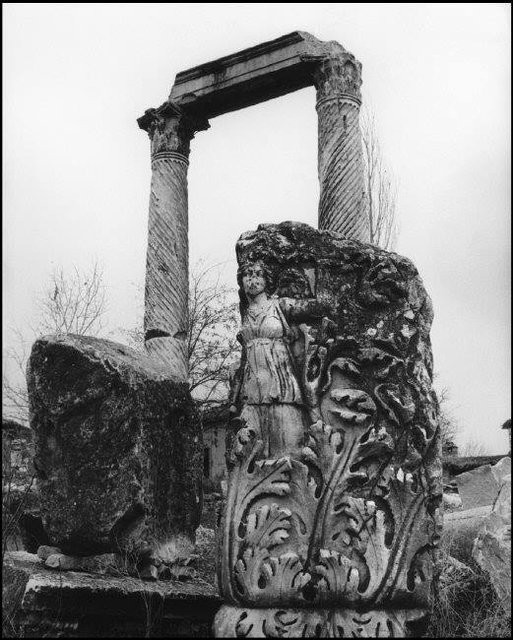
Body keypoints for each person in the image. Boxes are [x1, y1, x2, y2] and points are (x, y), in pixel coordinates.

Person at [229, 260, 332, 458]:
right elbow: (243, 359)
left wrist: (324, 274)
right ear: (241, 281)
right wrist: (233, 398)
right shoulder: (245, 312)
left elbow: (318, 308)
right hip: (252, 390)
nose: (253, 279)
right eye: (248, 274)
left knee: (289, 448)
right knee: (253, 452)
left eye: (258, 274)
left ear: (267, 280)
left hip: (281, 385)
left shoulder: (280, 305)